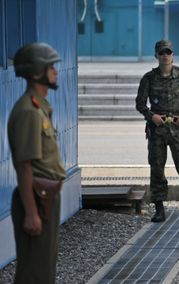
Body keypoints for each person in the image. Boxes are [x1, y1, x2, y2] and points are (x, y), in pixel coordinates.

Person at [8, 42, 66, 284]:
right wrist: (31, 213)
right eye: (51, 67)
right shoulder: (29, 112)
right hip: (36, 197)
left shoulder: (40, 108)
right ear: (36, 73)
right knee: (35, 272)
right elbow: (24, 166)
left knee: (43, 268)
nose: (56, 71)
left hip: (46, 196)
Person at [135, 40, 179, 222]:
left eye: (168, 52)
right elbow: (140, 103)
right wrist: (151, 116)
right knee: (157, 168)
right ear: (156, 56)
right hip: (158, 129)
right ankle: (159, 209)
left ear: (173, 55)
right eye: (162, 53)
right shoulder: (148, 78)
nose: (166, 56)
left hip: (178, 127)